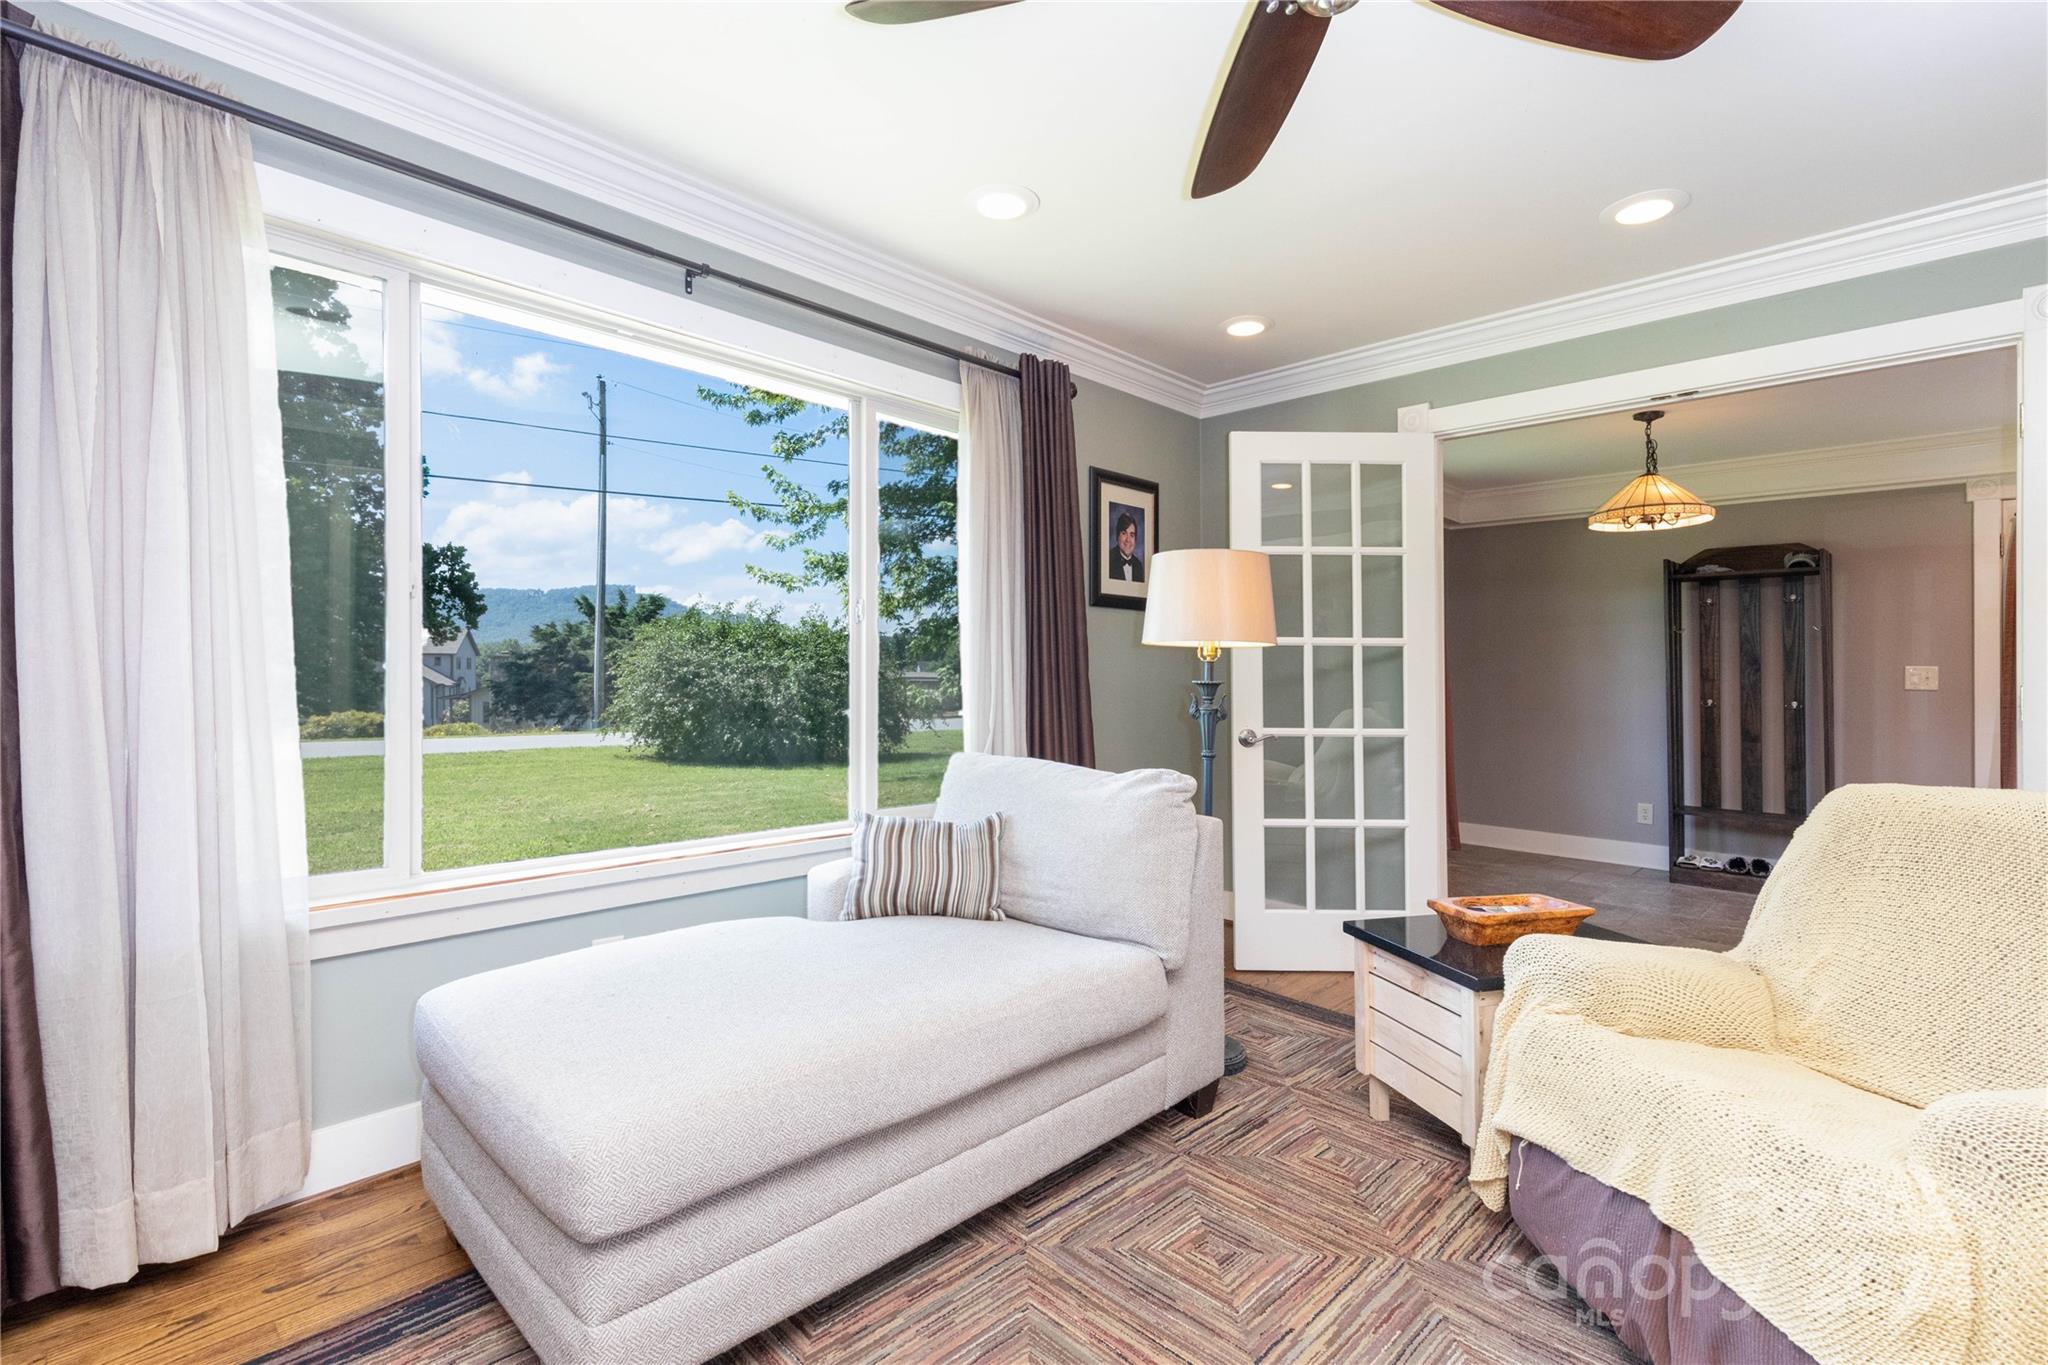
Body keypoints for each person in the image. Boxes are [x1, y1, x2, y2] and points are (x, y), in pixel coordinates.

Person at [1110, 512, 1144, 583]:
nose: (1128, 540)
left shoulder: (1139, 566)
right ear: (1117, 536)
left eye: (1132, 535)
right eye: (1124, 533)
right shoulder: (1108, 560)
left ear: (1135, 539)